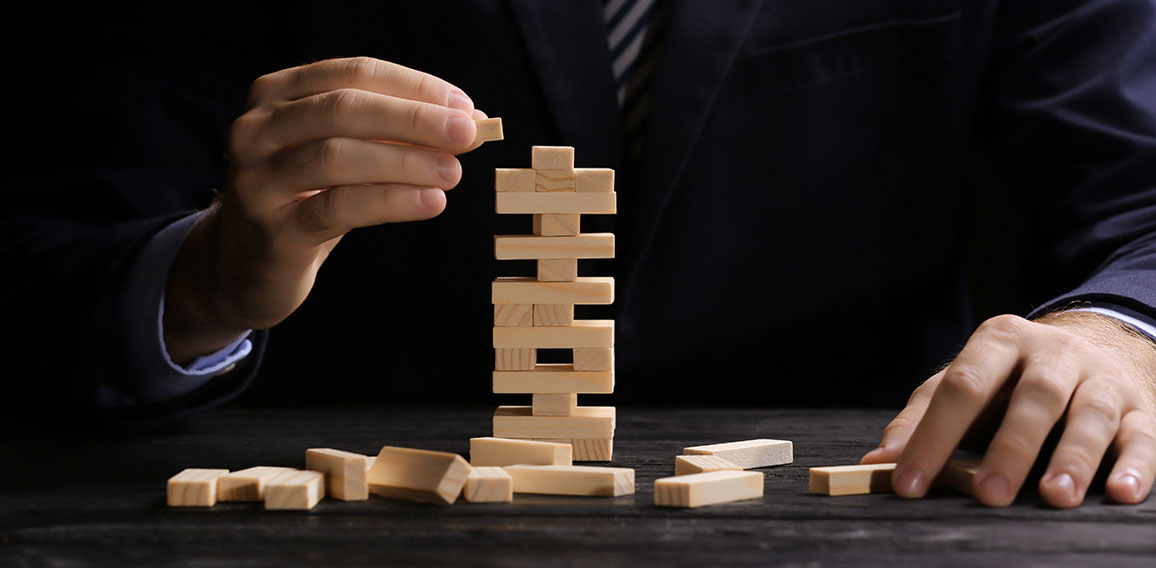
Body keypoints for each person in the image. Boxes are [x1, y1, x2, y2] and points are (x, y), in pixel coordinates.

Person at [3, 1, 1155, 510]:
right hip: (372, 501)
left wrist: (1116, 325)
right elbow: (54, 227)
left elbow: (1138, 190)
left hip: (875, 490)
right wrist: (203, 282)